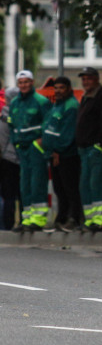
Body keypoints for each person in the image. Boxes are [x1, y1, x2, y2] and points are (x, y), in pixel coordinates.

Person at [8, 70, 51, 232]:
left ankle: (38, 220)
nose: (23, 85)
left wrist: (39, 143)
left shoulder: (41, 101)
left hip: (36, 148)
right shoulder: (14, 103)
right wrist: (16, 143)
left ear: (32, 82)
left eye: (26, 82)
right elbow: (12, 125)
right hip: (22, 148)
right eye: (20, 82)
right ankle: (26, 219)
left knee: (37, 182)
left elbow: (48, 124)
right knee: (24, 185)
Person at [42, 76, 82, 232]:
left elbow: (68, 132)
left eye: (61, 88)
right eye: (56, 88)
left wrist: (58, 150)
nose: (58, 91)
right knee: (59, 188)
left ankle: (73, 218)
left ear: (69, 89)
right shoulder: (56, 106)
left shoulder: (71, 106)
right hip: (54, 154)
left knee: (70, 187)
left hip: (67, 155)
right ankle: (62, 218)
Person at [75, 67, 102, 233]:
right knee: (85, 185)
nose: (85, 82)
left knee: (97, 184)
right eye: (83, 79)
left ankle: (100, 220)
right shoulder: (86, 97)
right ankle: (89, 220)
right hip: (84, 150)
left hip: (96, 149)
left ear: (96, 79)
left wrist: (99, 144)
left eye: (88, 78)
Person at [0, 87, 20, 230]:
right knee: (20, 194)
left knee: (8, 195)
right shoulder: (19, 113)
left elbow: (2, 138)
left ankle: (6, 225)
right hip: (19, 158)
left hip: (7, 159)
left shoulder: (4, 115)